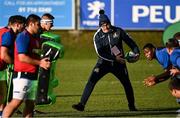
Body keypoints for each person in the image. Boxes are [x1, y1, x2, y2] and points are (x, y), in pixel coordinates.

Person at [72, 10, 140, 111]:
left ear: (109, 23)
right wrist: (114, 58)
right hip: (103, 63)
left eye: (107, 24)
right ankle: (81, 105)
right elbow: (100, 53)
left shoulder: (118, 31)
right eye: (103, 25)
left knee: (127, 84)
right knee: (91, 81)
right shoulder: (97, 36)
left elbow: (131, 42)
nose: (106, 27)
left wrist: (136, 52)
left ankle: (132, 106)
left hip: (119, 64)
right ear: (100, 25)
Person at [2, 14, 51, 117]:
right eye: (38, 24)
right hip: (22, 75)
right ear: (31, 24)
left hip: (32, 75)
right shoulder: (23, 36)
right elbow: (22, 57)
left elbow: (34, 54)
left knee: (30, 105)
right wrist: (40, 63)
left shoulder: (35, 38)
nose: (39, 26)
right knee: (16, 102)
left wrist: (43, 59)